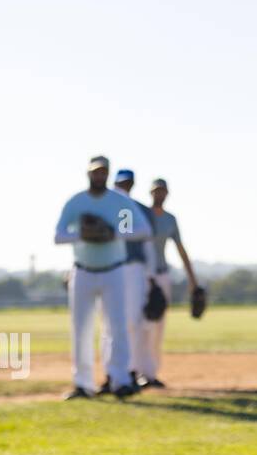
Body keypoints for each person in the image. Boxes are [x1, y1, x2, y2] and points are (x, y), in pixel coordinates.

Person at [53, 155, 154, 399]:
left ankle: (119, 380)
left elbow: (139, 231)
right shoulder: (77, 202)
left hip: (114, 270)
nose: (99, 176)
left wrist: (112, 232)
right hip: (83, 270)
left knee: (117, 326)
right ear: (88, 173)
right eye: (95, 172)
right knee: (81, 328)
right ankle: (83, 383)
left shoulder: (118, 203)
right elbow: (59, 235)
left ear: (107, 174)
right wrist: (83, 235)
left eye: (103, 172)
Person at [101, 168, 159, 392]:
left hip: (134, 268)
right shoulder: (104, 208)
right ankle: (111, 373)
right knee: (109, 323)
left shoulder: (141, 209)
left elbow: (148, 244)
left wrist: (151, 276)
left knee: (133, 322)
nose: (124, 188)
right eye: (120, 184)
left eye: (127, 184)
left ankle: (131, 371)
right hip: (109, 267)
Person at [139, 178, 201, 387]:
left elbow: (181, 249)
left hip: (162, 274)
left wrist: (193, 280)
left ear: (167, 194)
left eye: (162, 191)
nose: (159, 195)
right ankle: (137, 371)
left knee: (158, 325)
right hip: (142, 276)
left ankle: (151, 373)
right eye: (156, 191)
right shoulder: (141, 214)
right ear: (150, 193)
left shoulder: (170, 219)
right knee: (141, 325)